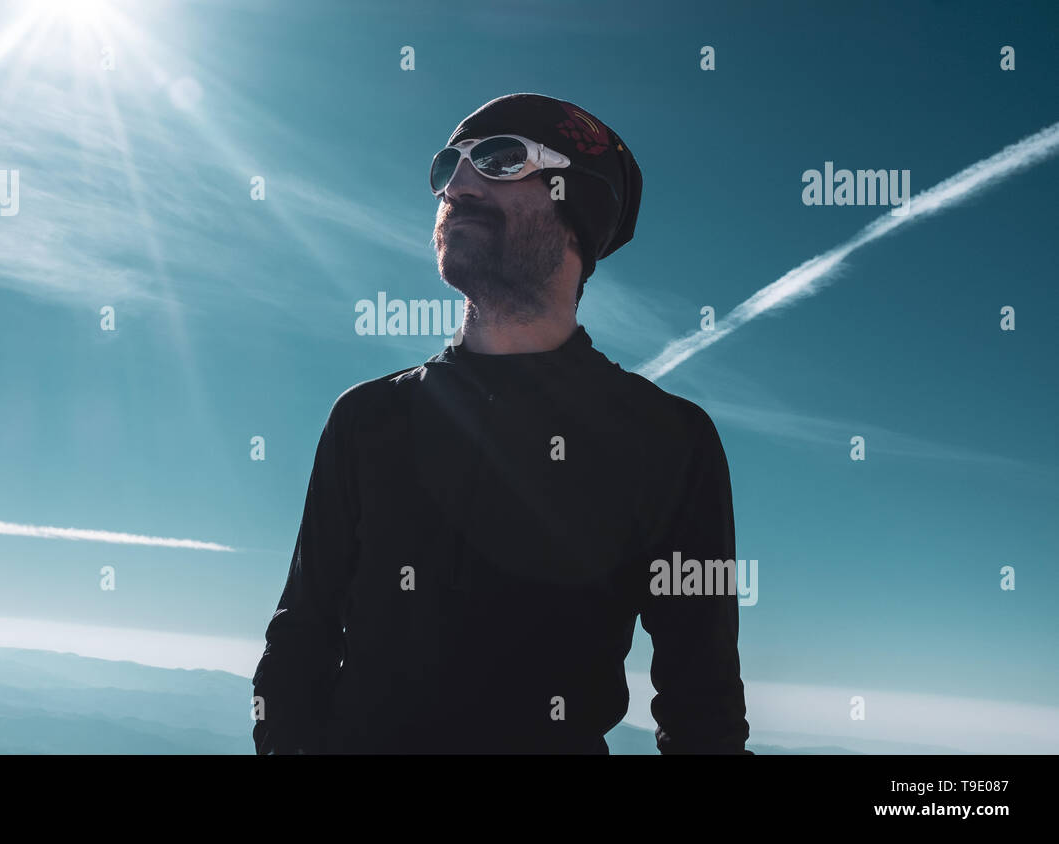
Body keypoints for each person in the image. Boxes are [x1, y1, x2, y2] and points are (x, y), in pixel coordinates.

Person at [251, 93, 751, 754]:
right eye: (446, 167)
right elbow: (299, 637)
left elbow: (703, 699)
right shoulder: (367, 419)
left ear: (579, 210)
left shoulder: (671, 441)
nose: (456, 184)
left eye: (498, 159)